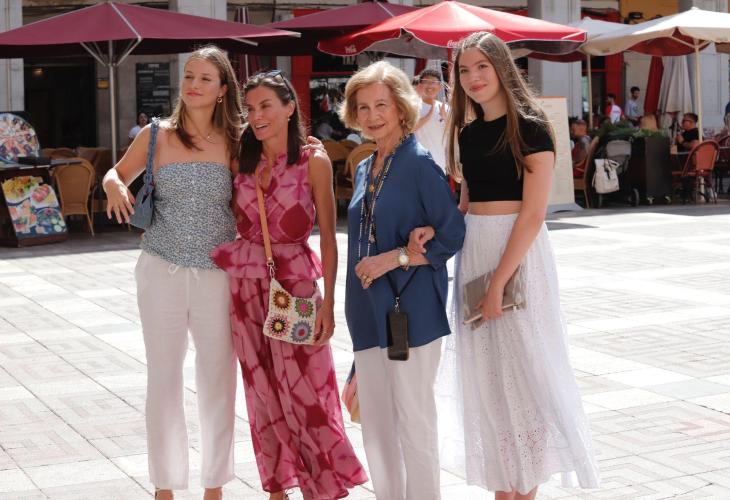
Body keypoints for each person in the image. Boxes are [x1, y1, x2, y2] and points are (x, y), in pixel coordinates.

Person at [425, 31, 600, 500]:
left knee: (526, 376)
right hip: (475, 252)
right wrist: (432, 232)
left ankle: (526, 488)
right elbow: (464, 206)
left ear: (502, 67)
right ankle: (506, 486)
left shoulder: (531, 127)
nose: (473, 77)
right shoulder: (466, 132)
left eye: (482, 66)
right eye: (464, 70)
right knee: (489, 381)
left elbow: (533, 214)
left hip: (517, 254)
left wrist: (499, 282)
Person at [210, 71, 368, 500]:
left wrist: (329, 305)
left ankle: (324, 487)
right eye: (250, 108)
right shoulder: (239, 158)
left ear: (289, 107)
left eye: (266, 106)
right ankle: (278, 489)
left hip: (296, 288)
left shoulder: (314, 161)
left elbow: (330, 240)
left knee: (308, 392)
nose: (257, 116)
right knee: (262, 393)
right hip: (245, 288)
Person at [103, 46, 243, 500]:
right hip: (160, 268)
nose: (193, 85)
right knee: (163, 378)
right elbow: (115, 173)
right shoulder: (156, 134)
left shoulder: (238, 139)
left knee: (218, 379)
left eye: (205, 78)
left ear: (222, 90)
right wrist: (114, 186)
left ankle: (214, 485)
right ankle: (164, 486)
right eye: (189, 76)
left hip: (218, 274)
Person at [339, 60, 465, 500]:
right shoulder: (364, 166)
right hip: (366, 311)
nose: (373, 115)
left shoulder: (419, 163)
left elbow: (452, 233)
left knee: (414, 420)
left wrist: (396, 257)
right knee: (376, 425)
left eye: (382, 105)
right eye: (364, 107)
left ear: (400, 107)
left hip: (410, 312)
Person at [413, 68, 449, 172]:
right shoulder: (412, 107)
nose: (430, 86)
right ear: (420, 84)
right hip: (416, 164)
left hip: (439, 165)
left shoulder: (446, 108)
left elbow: (455, 134)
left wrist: (445, 118)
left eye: (433, 82)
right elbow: (406, 130)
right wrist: (429, 115)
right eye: (426, 82)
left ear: (440, 86)